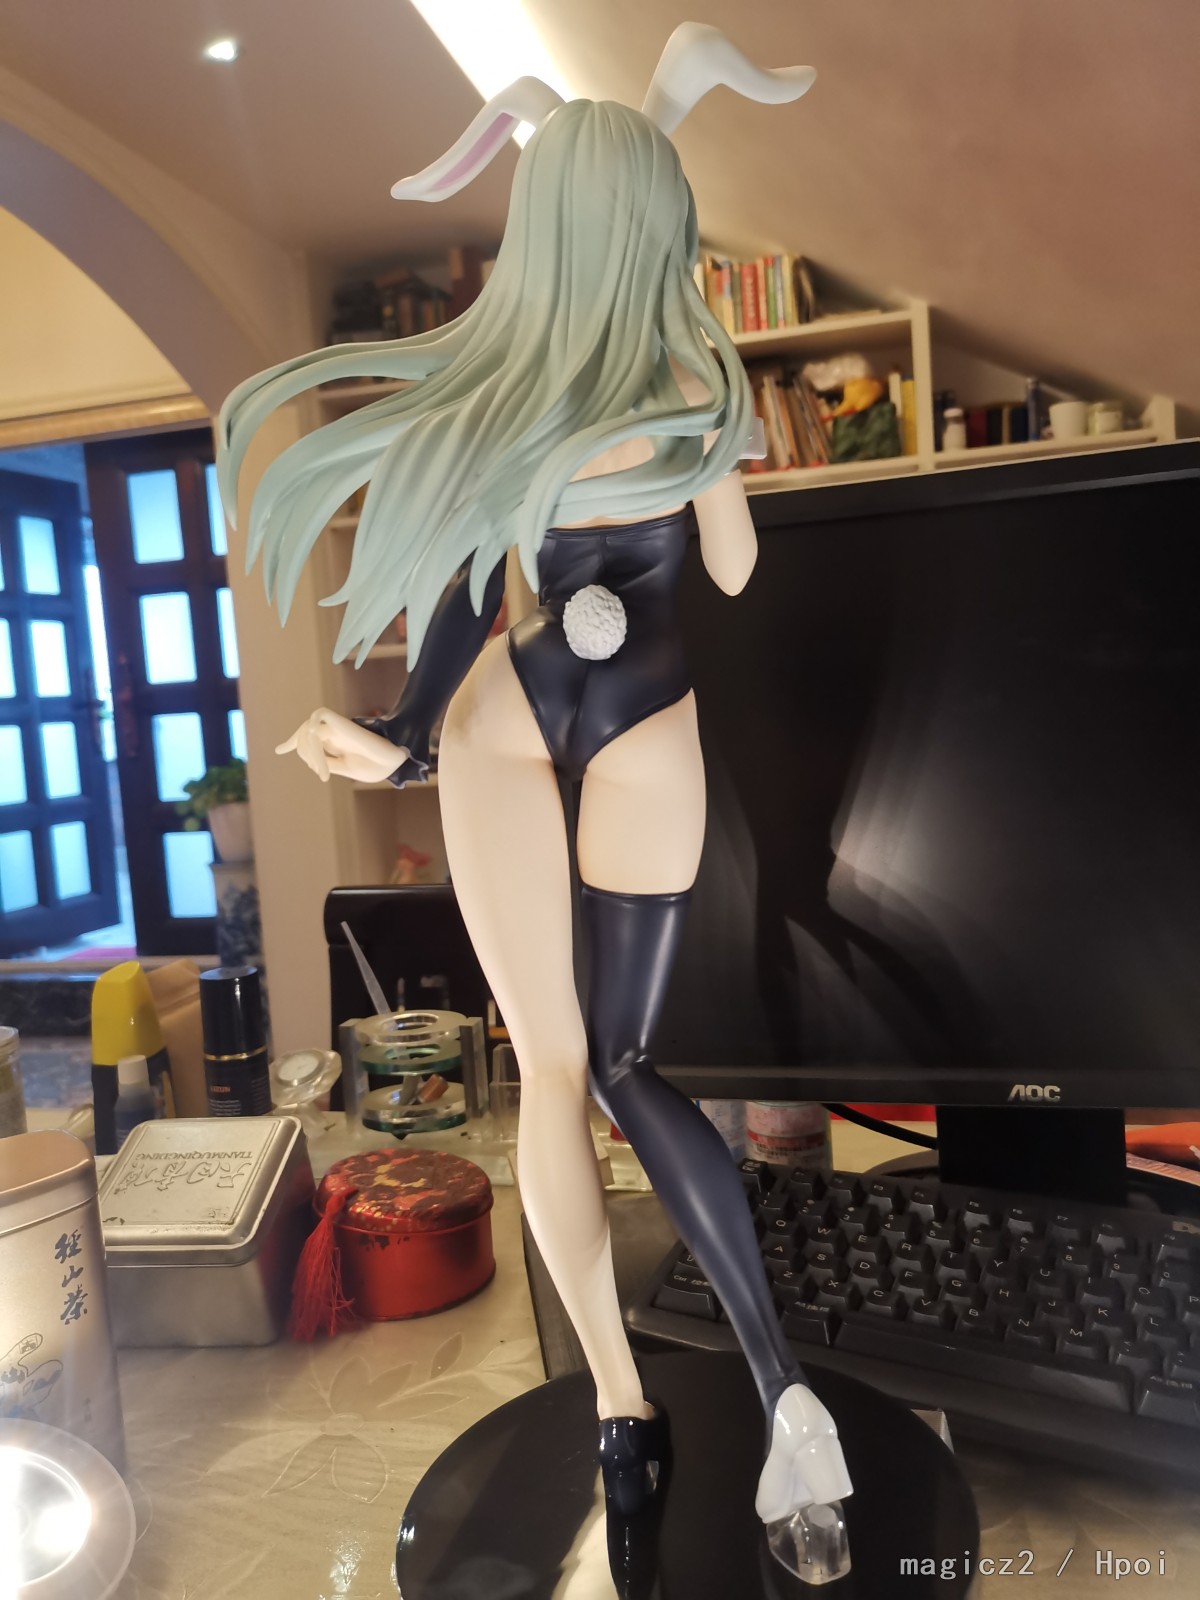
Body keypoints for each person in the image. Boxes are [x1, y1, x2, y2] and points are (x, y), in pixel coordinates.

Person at [218, 26, 851, 1583]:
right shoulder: (690, 390)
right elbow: (731, 572)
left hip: (514, 713)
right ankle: (752, 1397)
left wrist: (409, 736)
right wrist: (702, 441)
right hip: (619, 721)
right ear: (655, 232)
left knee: (568, 1074)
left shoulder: (534, 403)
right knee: (603, 1066)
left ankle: (650, 1407)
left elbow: (463, 605)